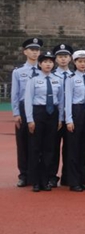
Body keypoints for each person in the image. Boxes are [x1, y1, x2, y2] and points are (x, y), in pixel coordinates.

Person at [24, 51, 64, 192]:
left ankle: (46, 180)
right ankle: (35, 181)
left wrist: (60, 118)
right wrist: (30, 119)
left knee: (49, 149)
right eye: (45, 61)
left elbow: (61, 100)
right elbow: (28, 100)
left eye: (51, 62)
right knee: (35, 148)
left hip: (52, 114)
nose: (48, 64)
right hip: (38, 113)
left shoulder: (57, 79)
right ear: (40, 64)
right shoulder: (33, 79)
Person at [12, 37, 43, 187]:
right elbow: (15, 94)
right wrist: (16, 113)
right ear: (25, 52)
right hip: (24, 108)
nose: (35, 52)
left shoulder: (44, 69)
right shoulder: (19, 71)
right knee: (23, 142)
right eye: (32, 50)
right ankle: (23, 174)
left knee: (38, 143)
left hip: (39, 109)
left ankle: (37, 173)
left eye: (37, 50)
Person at [65, 50, 85, 192]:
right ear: (74, 62)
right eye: (80, 61)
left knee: (84, 148)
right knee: (74, 148)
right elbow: (68, 100)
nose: (82, 64)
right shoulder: (70, 78)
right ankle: (73, 181)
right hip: (76, 111)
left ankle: (83, 180)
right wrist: (69, 119)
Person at [52, 43, 73, 187]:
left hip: (72, 115)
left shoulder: (75, 75)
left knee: (71, 147)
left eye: (65, 56)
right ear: (55, 59)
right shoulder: (52, 75)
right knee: (52, 147)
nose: (63, 59)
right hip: (55, 116)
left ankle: (68, 176)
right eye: (60, 57)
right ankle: (52, 176)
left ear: (70, 58)